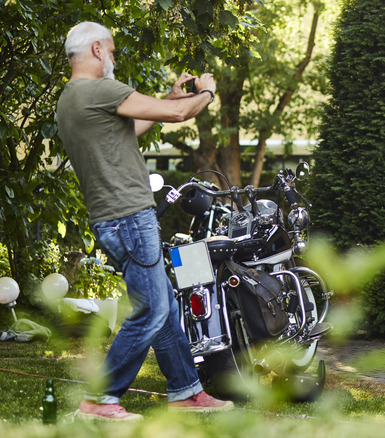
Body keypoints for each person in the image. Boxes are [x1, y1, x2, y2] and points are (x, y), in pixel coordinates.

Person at [56, 21, 233, 420]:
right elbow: (179, 113)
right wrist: (206, 90)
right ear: (98, 49)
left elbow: (127, 132)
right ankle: (100, 400)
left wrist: (169, 97)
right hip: (130, 218)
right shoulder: (101, 89)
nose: (114, 59)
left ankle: (186, 390)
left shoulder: (71, 99)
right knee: (151, 311)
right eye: (113, 51)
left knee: (164, 305)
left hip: (112, 220)